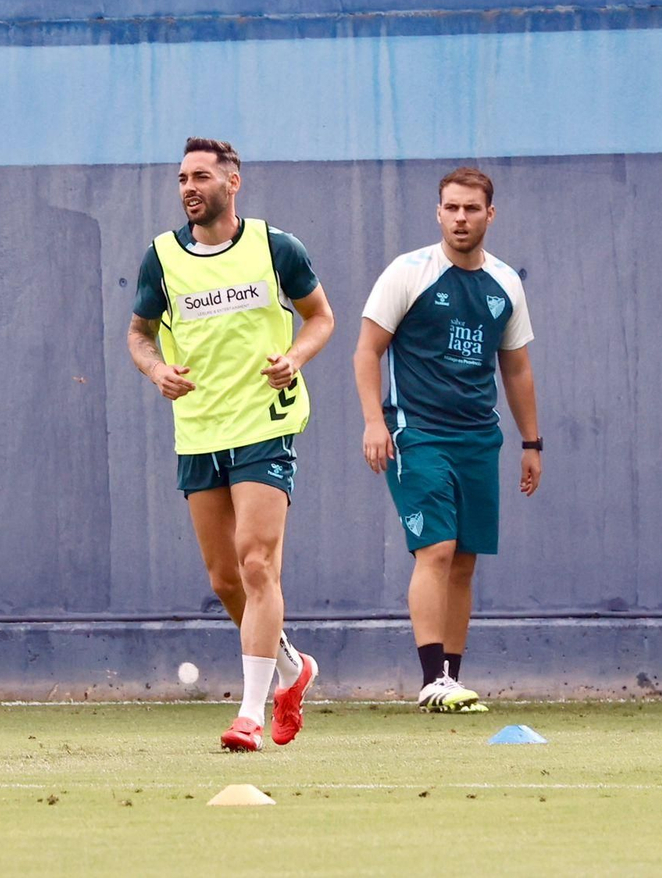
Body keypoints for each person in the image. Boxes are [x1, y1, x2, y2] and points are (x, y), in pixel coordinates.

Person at [126, 137, 335, 751]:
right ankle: (293, 669)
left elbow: (320, 316)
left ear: (232, 182)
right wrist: (154, 369)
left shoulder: (276, 248)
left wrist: (295, 357)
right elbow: (138, 334)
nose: (190, 188)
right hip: (199, 429)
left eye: (201, 177)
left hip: (264, 425)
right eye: (182, 179)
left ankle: (249, 713)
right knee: (225, 580)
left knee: (256, 562)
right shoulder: (162, 259)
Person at [352, 167, 541, 713]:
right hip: (417, 434)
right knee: (434, 548)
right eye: (451, 208)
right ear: (438, 212)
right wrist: (373, 421)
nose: (461, 218)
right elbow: (367, 350)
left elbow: (518, 368)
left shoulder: (505, 283)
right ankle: (431, 677)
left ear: (490, 214)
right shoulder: (408, 272)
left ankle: (450, 682)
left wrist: (533, 443)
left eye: (471, 209)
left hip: (480, 439)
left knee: (464, 559)